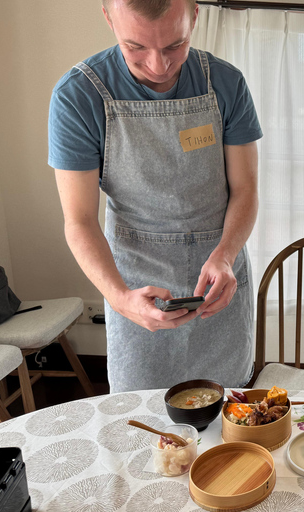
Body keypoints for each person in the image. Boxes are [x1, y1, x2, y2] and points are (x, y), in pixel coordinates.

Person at [48, 0, 262, 392]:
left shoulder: (227, 84)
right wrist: (119, 297)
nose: (159, 66)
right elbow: (79, 219)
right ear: (108, 18)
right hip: (134, 284)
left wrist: (226, 254)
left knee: (230, 421)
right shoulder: (77, 97)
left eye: (174, 46)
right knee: (143, 427)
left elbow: (246, 189)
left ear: (194, 15)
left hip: (218, 280)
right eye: (136, 48)